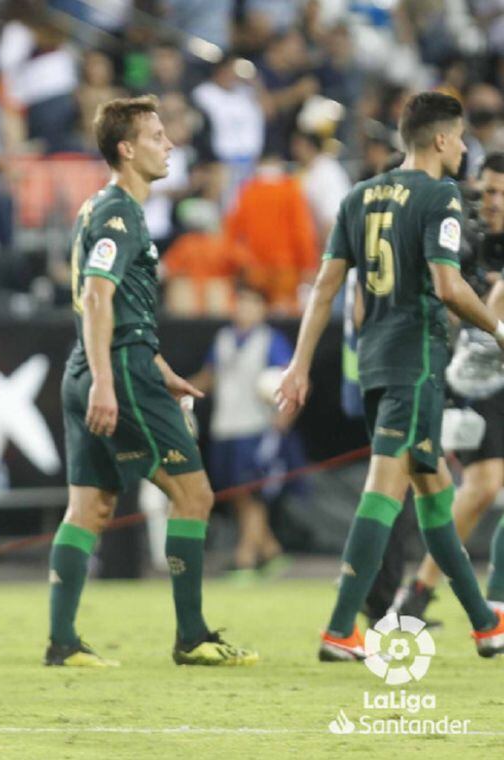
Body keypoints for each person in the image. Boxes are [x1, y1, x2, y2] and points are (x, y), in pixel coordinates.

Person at [276, 92, 504, 662]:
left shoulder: (360, 196)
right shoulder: (440, 197)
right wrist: (500, 330)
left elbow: (327, 287)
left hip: (375, 362)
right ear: (443, 140)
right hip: (416, 360)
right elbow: (450, 287)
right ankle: (338, 628)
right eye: (461, 140)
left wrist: (299, 364)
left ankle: (484, 624)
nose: (465, 151)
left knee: (433, 493)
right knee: (385, 487)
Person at [48, 95, 258, 668]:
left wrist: (160, 367)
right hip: (114, 370)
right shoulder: (121, 211)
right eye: (157, 136)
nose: (169, 145)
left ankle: (62, 641)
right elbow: (97, 296)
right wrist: (109, 382)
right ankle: (191, 636)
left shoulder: (99, 208)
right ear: (127, 148)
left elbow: (121, 308)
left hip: (96, 364)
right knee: (195, 496)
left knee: (88, 507)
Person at [396, 152, 504, 620]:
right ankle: (421, 588)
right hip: (482, 379)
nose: (491, 201)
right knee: (480, 488)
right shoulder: (465, 242)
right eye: (486, 190)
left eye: (500, 191)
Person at [190, 283, 295, 577]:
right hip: (225, 426)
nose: (244, 309)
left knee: (253, 492)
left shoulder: (270, 340)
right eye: (240, 303)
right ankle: (271, 550)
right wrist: (183, 389)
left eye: (251, 304)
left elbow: (288, 379)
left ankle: (246, 557)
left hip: (256, 426)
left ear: (262, 309)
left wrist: (283, 421)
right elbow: (210, 376)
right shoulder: (223, 339)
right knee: (238, 494)